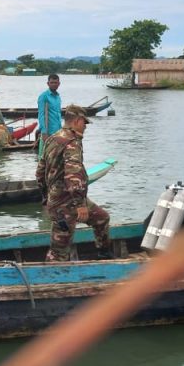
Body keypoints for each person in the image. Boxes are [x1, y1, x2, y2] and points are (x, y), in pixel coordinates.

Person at [36, 104, 111, 261]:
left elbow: (40, 172)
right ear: (77, 121)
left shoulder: (53, 138)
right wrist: (80, 205)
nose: (86, 127)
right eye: (85, 123)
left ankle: (104, 255)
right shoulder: (72, 142)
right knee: (59, 250)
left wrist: (45, 197)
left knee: (102, 218)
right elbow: (73, 175)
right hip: (66, 204)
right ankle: (52, 279)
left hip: (59, 199)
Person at [37, 73, 62, 158]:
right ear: (48, 83)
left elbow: (58, 114)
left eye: (56, 82)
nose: (54, 84)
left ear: (59, 83)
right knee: (45, 156)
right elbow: (41, 115)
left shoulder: (58, 97)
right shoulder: (43, 96)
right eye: (52, 82)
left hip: (58, 131)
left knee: (56, 156)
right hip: (48, 131)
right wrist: (44, 132)